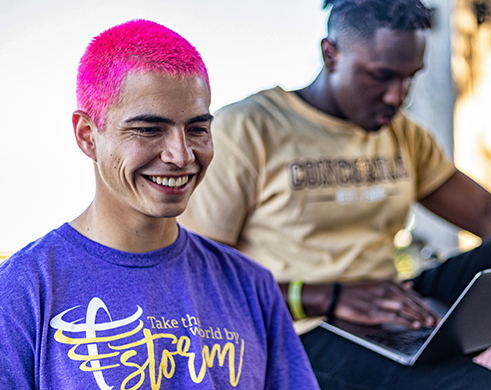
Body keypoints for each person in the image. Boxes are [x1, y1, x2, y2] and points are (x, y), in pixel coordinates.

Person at [179, 0, 491, 388]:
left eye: (409, 78)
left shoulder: (404, 137)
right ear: (331, 54)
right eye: (380, 76)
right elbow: (198, 277)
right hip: (301, 332)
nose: (396, 96)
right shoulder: (250, 128)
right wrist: (328, 297)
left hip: (391, 311)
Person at [0, 20, 319, 390]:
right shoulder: (23, 291)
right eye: (149, 130)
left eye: (198, 129)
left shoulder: (251, 286)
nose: (181, 155)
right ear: (88, 136)